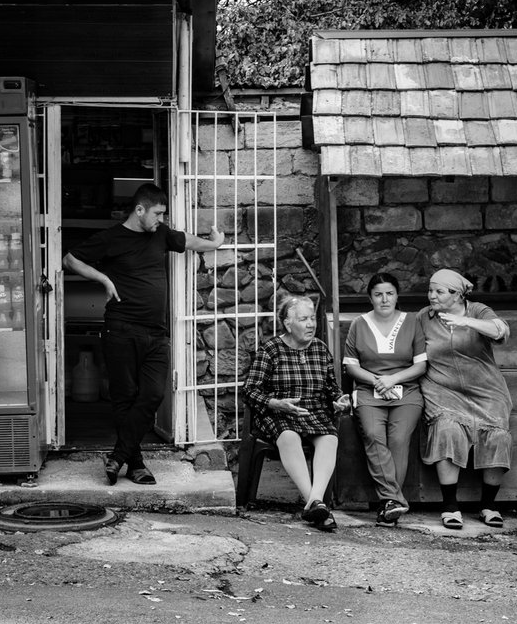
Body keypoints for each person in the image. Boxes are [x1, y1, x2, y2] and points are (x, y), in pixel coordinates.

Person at [62, 183, 224, 486]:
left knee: (152, 394)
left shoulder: (161, 234)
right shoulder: (111, 238)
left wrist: (213, 244)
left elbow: (186, 241)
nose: (161, 219)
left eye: (163, 214)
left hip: (155, 333)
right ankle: (135, 464)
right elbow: (70, 259)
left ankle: (118, 456)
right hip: (120, 329)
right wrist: (104, 279)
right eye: (157, 213)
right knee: (124, 398)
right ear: (139, 210)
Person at [243, 295, 351, 531]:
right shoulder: (271, 349)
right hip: (279, 414)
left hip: (313, 412)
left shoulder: (321, 349)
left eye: (312, 318)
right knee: (289, 437)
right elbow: (250, 390)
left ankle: (315, 504)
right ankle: (315, 503)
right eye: (304, 319)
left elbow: (332, 388)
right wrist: (276, 403)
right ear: (288, 324)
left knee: (329, 438)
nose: (311, 324)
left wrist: (338, 400)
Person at [418, 269, 513, 529]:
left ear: (457, 295)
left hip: (485, 389)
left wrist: (467, 323)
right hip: (442, 389)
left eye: (439, 291)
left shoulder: (478, 311)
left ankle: (488, 505)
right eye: (430, 290)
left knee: (497, 435)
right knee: (447, 428)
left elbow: (501, 331)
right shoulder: (424, 317)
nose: (432, 296)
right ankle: (450, 506)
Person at [343, 273, 427, 527]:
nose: (384, 299)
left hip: (407, 393)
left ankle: (388, 503)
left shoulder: (412, 322)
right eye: (378, 294)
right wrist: (377, 380)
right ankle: (393, 501)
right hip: (370, 392)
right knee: (372, 434)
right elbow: (351, 366)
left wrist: (393, 379)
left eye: (389, 293)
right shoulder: (359, 324)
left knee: (399, 439)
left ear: (397, 295)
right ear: (370, 297)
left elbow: (420, 365)